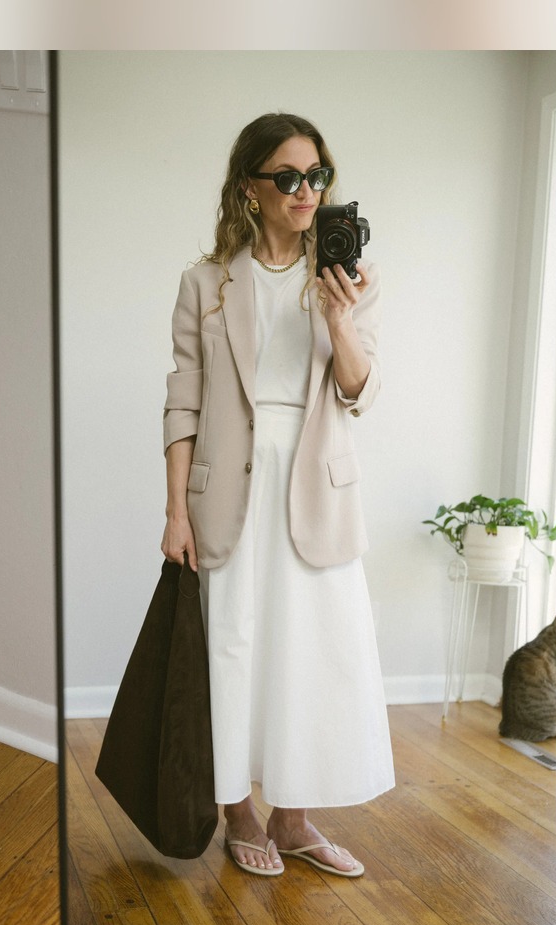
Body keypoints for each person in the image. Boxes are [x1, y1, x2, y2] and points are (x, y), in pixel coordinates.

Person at [159, 113, 395, 878]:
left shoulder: (348, 277)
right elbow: (183, 402)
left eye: (317, 174)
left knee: (316, 652)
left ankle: (295, 819)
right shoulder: (206, 282)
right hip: (228, 487)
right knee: (231, 647)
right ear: (249, 188)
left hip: (316, 486)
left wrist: (341, 318)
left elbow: (359, 390)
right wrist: (173, 512)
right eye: (287, 177)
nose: (306, 190)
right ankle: (241, 813)